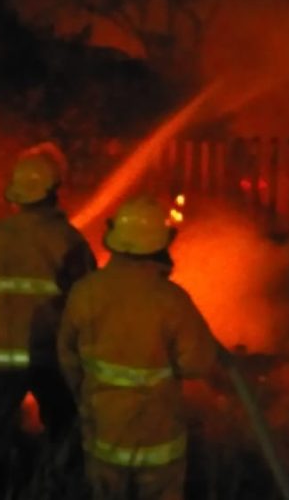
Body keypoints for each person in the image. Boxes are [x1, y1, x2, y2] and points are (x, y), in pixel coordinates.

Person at [58, 194, 225, 500]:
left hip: (103, 436)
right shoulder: (172, 300)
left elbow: (67, 354)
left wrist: (86, 396)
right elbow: (197, 364)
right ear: (159, 246)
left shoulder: (86, 292)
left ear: (115, 242)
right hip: (158, 444)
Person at [0, 150, 96, 497]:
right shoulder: (67, 240)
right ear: (55, 192)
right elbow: (88, 300)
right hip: (46, 352)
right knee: (66, 428)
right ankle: (59, 489)